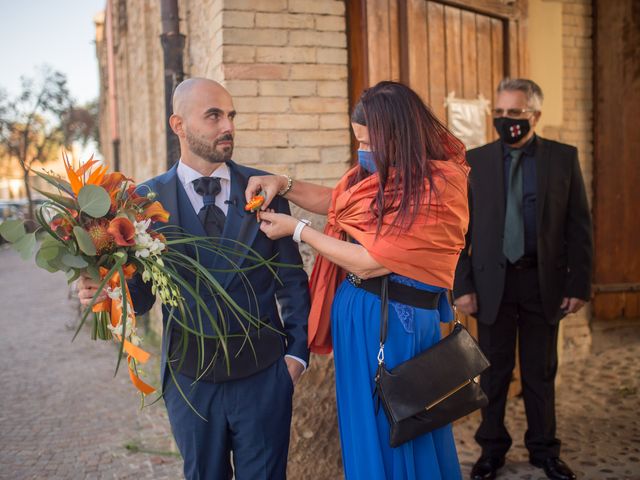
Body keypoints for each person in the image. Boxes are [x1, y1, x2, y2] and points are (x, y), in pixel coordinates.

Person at [77, 78, 310, 480]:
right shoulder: (142, 202)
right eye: (214, 115)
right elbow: (144, 298)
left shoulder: (264, 189)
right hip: (190, 383)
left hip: (265, 377)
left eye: (231, 115)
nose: (228, 126)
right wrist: (106, 289)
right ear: (178, 124)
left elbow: (292, 280)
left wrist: (296, 356)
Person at [246, 81, 469, 480]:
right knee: (366, 428)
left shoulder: (442, 186)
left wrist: (298, 231)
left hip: (395, 326)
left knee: (401, 427)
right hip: (357, 320)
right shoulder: (384, 174)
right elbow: (339, 205)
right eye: (358, 141)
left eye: (368, 142)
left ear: (397, 137)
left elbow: (370, 261)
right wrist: (285, 184)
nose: (362, 152)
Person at [453, 78, 592, 480]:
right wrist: (462, 285)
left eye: (514, 113)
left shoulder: (563, 159)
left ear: (535, 115)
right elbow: (459, 231)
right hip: (490, 286)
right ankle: (491, 450)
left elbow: (578, 225)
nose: (505, 119)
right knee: (493, 373)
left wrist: (578, 284)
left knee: (539, 372)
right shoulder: (475, 161)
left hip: (541, 283)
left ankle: (544, 450)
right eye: (499, 112)